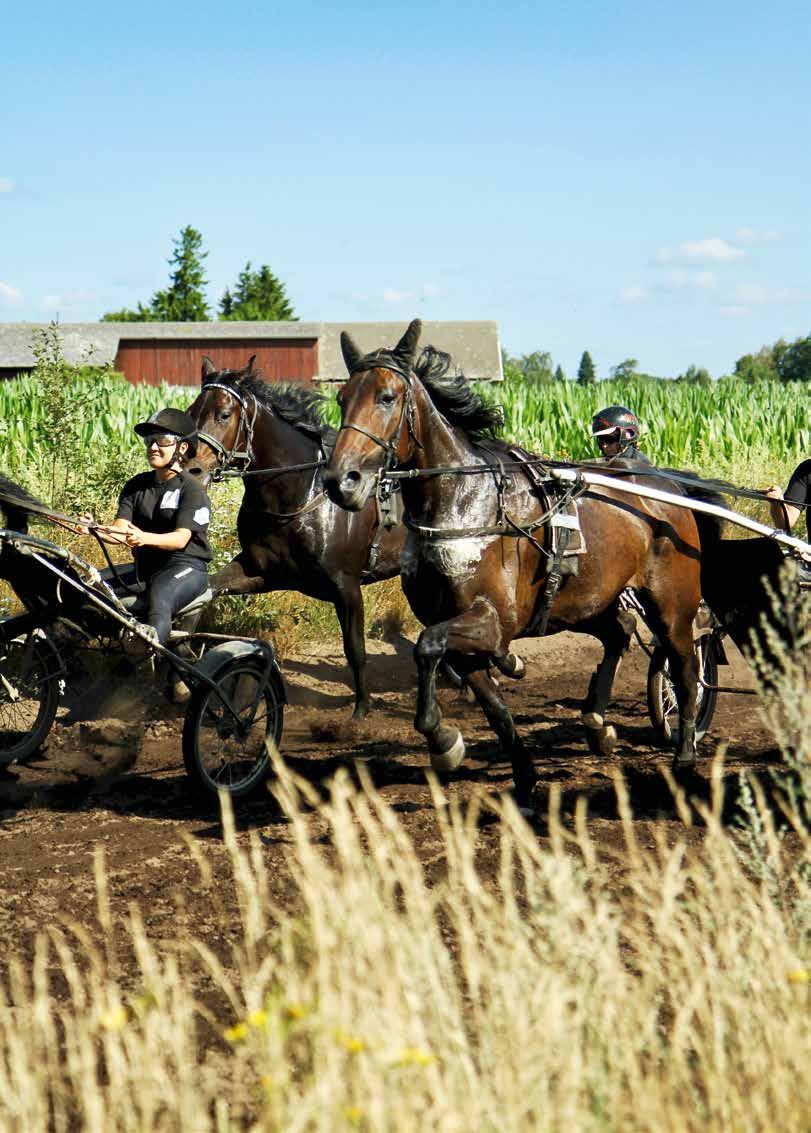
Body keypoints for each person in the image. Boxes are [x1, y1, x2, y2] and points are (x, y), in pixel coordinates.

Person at [89, 408, 213, 649]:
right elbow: (120, 529)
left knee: (160, 596)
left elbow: (180, 539)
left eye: (162, 441)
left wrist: (143, 537)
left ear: (182, 448)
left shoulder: (191, 489)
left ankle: (146, 652)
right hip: (145, 569)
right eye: (149, 441)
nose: (153, 447)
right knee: (88, 585)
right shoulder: (137, 485)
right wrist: (93, 529)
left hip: (185, 567)